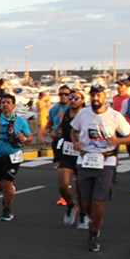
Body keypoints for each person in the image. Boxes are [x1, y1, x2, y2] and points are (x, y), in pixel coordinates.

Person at [71, 85, 130, 252]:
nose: (95, 99)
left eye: (98, 95)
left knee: (97, 201)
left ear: (105, 96)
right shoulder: (83, 113)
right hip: (85, 159)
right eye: (93, 95)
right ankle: (95, 221)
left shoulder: (114, 115)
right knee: (85, 203)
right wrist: (76, 142)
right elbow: (73, 130)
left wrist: (117, 141)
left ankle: (93, 233)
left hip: (106, 161)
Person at [0, 93, 32, 222]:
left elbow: (29, 138)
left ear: (13, 105)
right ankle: (9, 190)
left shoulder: (20, 121)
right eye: (3, 102)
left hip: (13, 156)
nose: (5, 105)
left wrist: (24, 138)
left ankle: (7, 210)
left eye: (8, 103)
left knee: (6, 182)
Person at [50, 89, 87, 227]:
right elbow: (60, 128)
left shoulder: (87, 115)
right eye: (71, 97)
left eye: (76, 97)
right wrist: (54, 132)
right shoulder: (63, 113)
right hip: (66, 151)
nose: (72, 100)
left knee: (80, 187)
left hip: (82, 152)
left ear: (82, 100)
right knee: (63, 184)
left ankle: (83, 214)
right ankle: (71, 205)